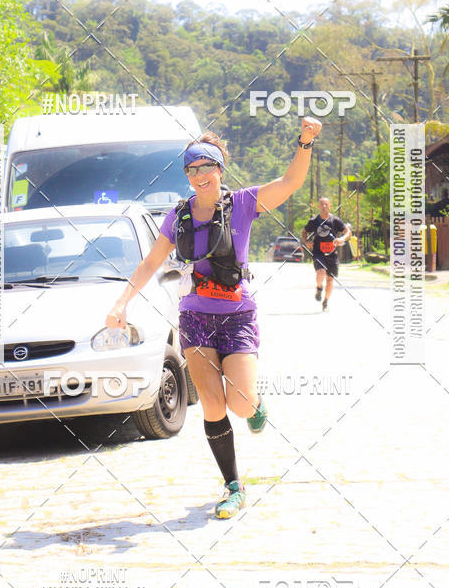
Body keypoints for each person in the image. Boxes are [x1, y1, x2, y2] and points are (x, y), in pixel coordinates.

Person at [105, 117, 322, 519]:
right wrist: (121, 304)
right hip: (196, 319)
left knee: (239, 403)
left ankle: (255, 406)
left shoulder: (242, 204)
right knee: (210, 402)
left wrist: (305, 142)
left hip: (237, 315)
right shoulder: (179, 216)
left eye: (207, 167)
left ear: (220, 169)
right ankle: (233, 486)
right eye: (193, 169)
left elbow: (291, 182)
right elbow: (151, 262)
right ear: (187, 175)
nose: (201, 176)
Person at [302, 197, 351, 312]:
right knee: (321, 272)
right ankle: (319, 288)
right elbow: (304, 232)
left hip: (332, 253)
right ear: (318, 206)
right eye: (322, 204)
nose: (324, 206)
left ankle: (325, 301)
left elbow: (348, 232)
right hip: (318, 252)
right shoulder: (313, 221)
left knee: (330, 279)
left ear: (329, 206)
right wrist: (306, 242)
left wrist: (342, 238)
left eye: (326, 204)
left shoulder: (335, 220)